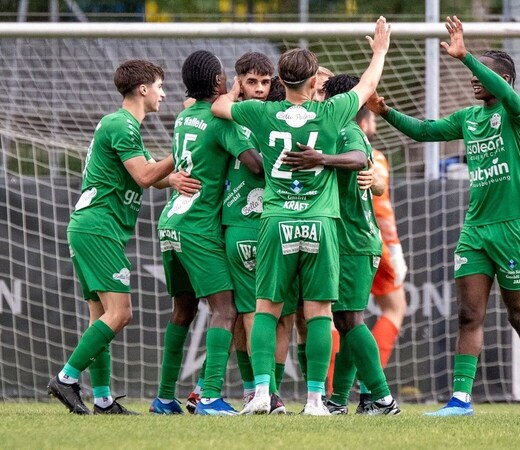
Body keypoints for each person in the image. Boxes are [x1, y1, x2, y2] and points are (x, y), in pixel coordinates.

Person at [369, 16, 520, 417]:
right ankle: (460, 400)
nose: (474, 80)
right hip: (475, 229)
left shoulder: (517, 113)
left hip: (513, 226)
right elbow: (423, 130)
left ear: (502, 79)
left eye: (483, 74)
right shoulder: (468, 119)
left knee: (518, 314)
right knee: (469, 313)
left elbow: (505, 92)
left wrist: (466, 55)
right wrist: (386, 112)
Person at [211, 16, 392, 415]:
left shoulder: (262, 114)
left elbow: (221, 106)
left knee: (266, 309)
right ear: (314, 83)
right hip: (320, 223)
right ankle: (314, 400)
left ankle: (260, 393)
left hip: (276, 222)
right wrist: (379, 50)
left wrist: (240, 92)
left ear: (280, 81)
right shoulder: (331, 114)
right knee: (320, 312)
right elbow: (366, 86)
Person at [47, 60, 200, 415]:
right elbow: (146, 176)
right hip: (98, 227)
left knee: (100, 315)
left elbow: (151, 174)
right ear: (143, 89)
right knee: (121, 313)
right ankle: (67, 378)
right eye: (160, 86)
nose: (163, 93)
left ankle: (102, 400)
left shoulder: (124, 127)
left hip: (92, 227)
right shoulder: (121, 124)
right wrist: (189, 143)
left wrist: (174, 177)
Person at [149, 50, 262, 416]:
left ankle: (165, 398)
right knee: (225, 310)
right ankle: (210, 394)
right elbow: (255, 166)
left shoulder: (184, 116)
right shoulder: (222, 123)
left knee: (182, 310)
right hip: (199, 228)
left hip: (171, 224)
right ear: (218, 82)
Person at [283, 74, 400, 416]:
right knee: (347, 318)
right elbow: (366, 169)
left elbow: (356, 161)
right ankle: (337, 400)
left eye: (323, 93)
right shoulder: (341, 130)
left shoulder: (346, 129)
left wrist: (319, 159)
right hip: (355, 240)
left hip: (353, 241)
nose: (319, 98)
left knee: (349, 318)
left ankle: (382, 397)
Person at [359, 109, 408, 411]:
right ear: (364, 121)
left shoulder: (328, 145)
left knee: (329, 315)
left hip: (335, 239)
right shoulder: (374, 157)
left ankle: (328, 394)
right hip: (372, 242)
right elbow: (384, 211)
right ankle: (369, 387)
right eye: (373, 118)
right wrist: (395, 248)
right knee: (394, 308)